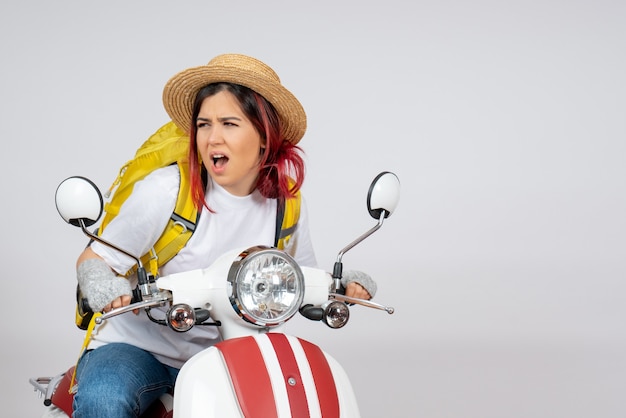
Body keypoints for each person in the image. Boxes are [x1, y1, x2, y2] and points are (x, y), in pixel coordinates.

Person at [71, 53, 377, 417]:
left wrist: (342, 286)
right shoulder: (168, 190)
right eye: (204, 125)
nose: (212, 138)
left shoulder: (286, 203)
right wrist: (103, 286)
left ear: (264, 137)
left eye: (229, 124)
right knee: (104, 399)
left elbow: (303, 278)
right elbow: (95, 259)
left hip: (227, 352)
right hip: (139, 348)